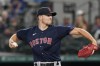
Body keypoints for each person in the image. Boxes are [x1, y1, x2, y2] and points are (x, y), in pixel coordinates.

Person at [9, 7, 98, 66]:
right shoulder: (29, 32)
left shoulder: (57, 30)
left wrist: (93, 41)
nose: (50, 17)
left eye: (51, 15)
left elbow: (79, 30)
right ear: (40, 17)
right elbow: (15, 36)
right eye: (48, 15)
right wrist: (11, 42)